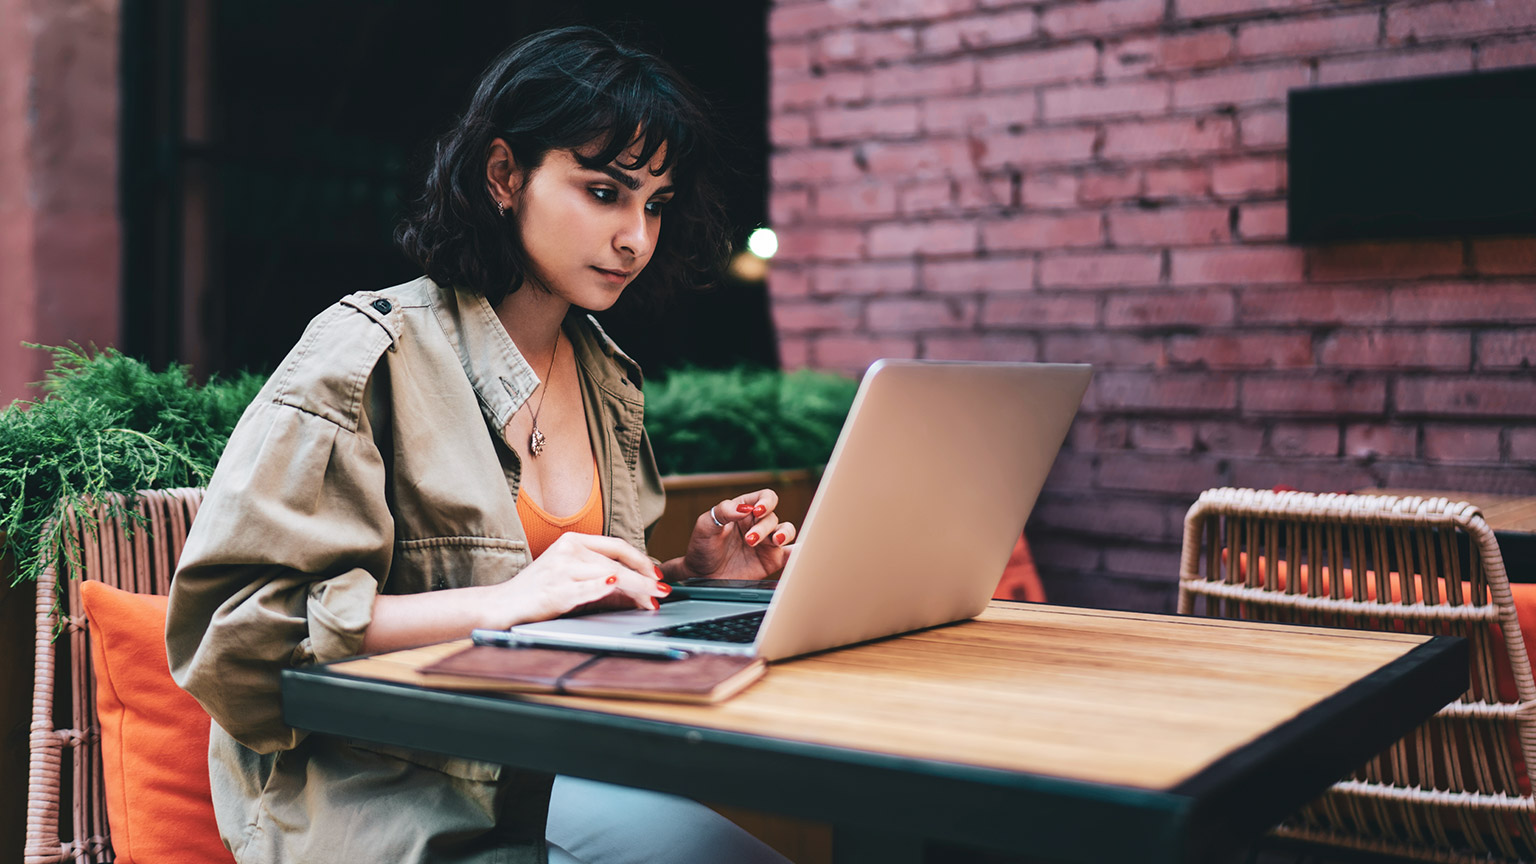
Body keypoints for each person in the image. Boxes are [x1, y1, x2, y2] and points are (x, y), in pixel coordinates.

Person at [166, 26, 794, 864]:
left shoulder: (609, 378)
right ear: (505, 175)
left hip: (552, 769)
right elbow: (232, 634)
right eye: (604, 192)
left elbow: (571, 614)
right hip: (382, 795)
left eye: (655, 203)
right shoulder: (366, 352)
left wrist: (687, 582)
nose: (636, 237)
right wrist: (498, 608)